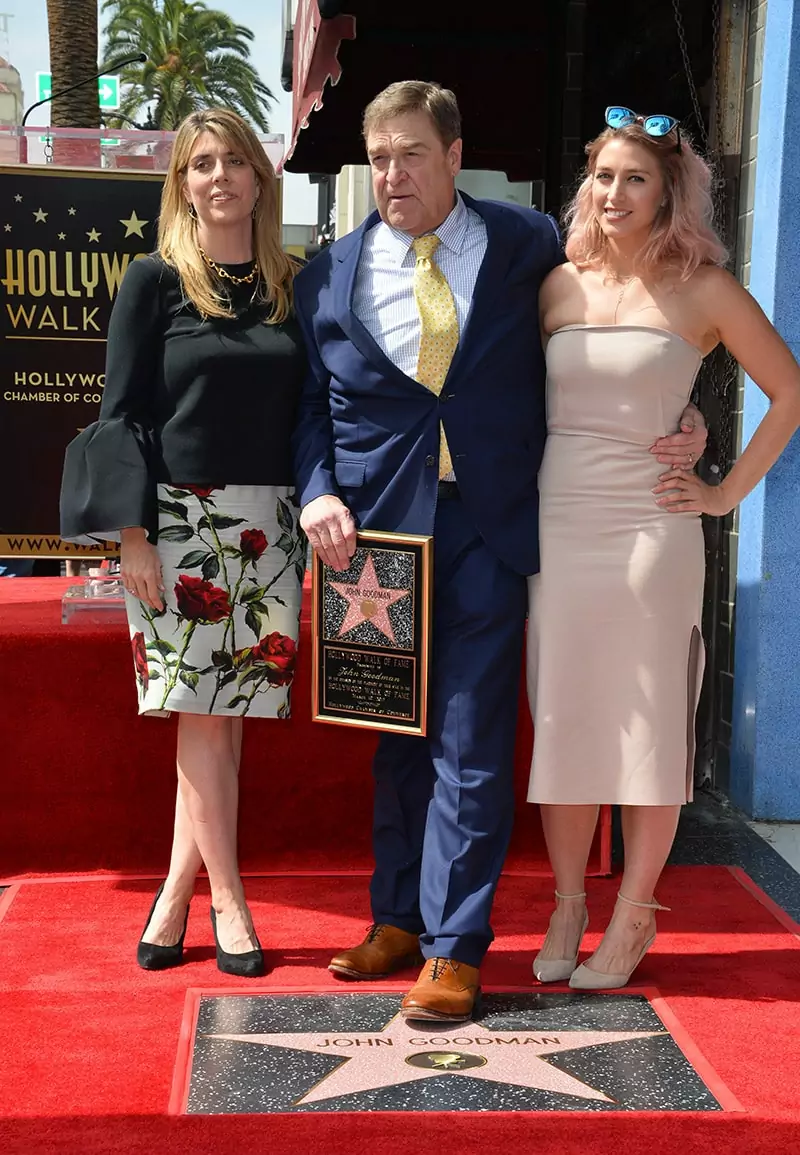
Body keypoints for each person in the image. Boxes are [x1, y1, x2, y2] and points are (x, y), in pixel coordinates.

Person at [291, 82, 708, 1022]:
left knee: (473, 739)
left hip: (491, 524)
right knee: (396, 743)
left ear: (453, 153)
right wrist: (316, 488)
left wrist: (686, 413)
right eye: (379, 158)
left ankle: (454, 948)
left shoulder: (525, 242)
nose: (394, 175)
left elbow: (622, 310)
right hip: (374, 541)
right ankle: (396, 919)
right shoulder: (326, 274)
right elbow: (310, 406)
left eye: (411, 154)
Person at [528, 106, 800, 991]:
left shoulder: (704, 287)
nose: (614, 192)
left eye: (634, 177)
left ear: (668, 190)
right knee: (565, 720)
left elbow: (789, 392)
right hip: (557, 528)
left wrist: (721, 487)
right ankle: (569, 900)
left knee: (646, 724)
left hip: (652, 530)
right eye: (602, 175)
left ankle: (637, 908)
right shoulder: (555, 283)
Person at [60, 109, 308, 978]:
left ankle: (172, 899)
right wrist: (131, 535)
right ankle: (230, 904)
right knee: (204, 725)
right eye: (202, 164)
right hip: (176, 530)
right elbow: (120, 413)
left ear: (258, 178)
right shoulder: (153, 280)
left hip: (270, 529)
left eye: (235, 161)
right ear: (182, 183)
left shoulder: (291, 282)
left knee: (227, 726)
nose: (220, 177)